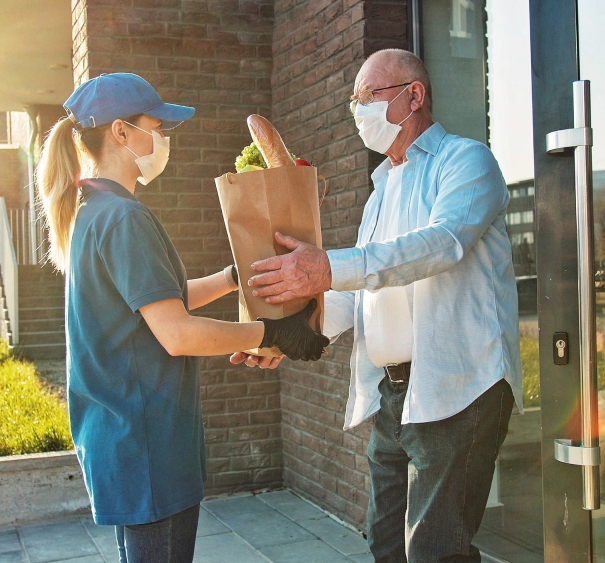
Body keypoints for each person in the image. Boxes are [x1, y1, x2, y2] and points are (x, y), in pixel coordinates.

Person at [35, 72, 328, 563]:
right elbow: (175, 333)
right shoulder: (124, 218)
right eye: (158, 127)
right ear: (121, 133)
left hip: (123, 441)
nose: (165, 140)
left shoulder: (97, 211)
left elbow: (159, 302)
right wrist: (276, 332)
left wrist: (234, 276)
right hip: (146, 445)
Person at [245, 49, 523, 562]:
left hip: (460, 387)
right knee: (386, 547)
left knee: (437, 552)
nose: (356, 111)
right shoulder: (379, 192)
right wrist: (289, 337)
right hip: (395, 395)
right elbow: (356, 291)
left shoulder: (466, 161)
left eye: (366, 96)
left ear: (413, 95)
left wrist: (329, 266)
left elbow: (442, 245)